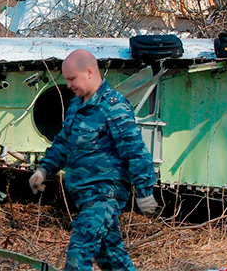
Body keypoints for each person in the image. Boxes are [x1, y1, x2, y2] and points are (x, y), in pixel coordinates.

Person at [29, 49, 157, 270]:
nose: (68, 85)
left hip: (106, 193)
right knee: (111, 256)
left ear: (89, 72)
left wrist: (145, 191)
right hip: (84, 194)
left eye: (71, 79)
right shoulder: (76, 105)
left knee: (81, 246)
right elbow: (64, 142)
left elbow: (134, 150)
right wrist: (44, 169)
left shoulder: (113, 106)